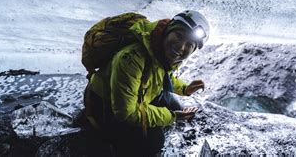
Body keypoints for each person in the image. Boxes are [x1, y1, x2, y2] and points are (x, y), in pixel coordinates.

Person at [83, 10, 210, 156]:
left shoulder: (158, 50)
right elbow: (125, 112)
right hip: (104, 107)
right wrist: (172, 117)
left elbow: (160, 76)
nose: (181, 47)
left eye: (190, 44)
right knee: (154, 140)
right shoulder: (131, 58)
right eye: (179, 36)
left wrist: (185, 89)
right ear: (168, 30)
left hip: (135, 97)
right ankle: (114, 147)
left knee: (173, 104)